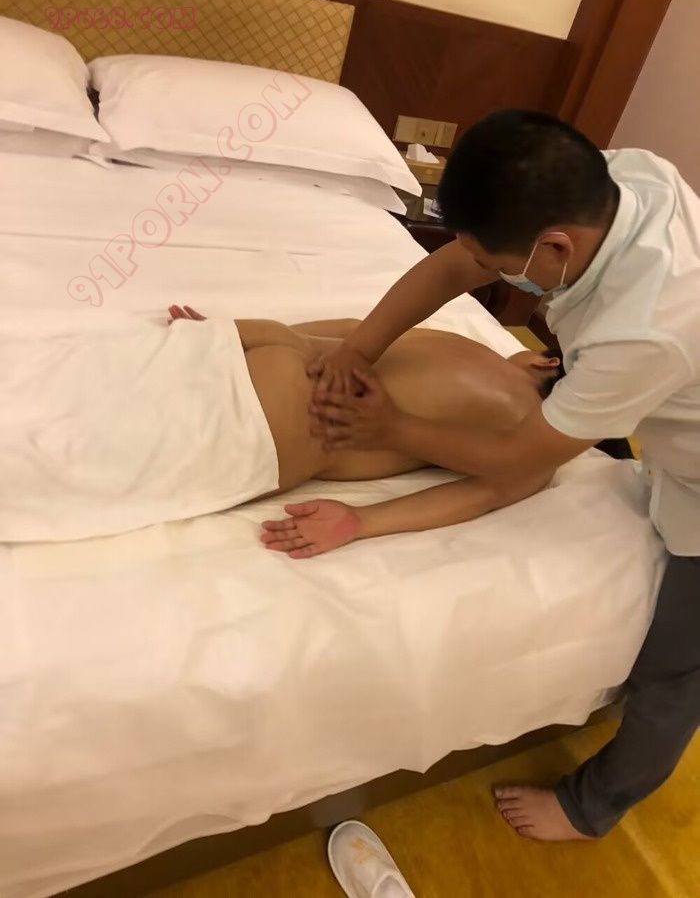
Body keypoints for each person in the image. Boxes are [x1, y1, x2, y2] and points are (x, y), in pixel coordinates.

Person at [299, 110, 700, 843]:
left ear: (555, 245)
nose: (490, 271)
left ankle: (592, 808)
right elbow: (458, 264)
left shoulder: (646, 329)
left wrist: (394, 429)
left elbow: (523, 460)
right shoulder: (618, 181)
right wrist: (360, 344)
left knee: (676, 671)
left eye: (501, 263)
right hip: (664, 401)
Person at [0, 304, 560, 542]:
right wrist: (358, 522)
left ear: (546, 363)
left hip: (263, 349)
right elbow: (477, 496)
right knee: (53, 454)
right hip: (279, 417)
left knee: (56, 382)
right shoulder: (531, 447)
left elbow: (351, 330)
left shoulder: (462, 345)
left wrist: (228, 331)